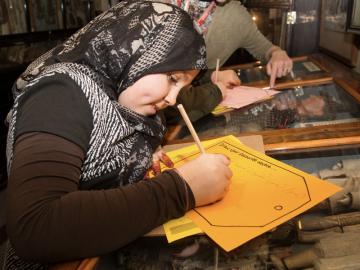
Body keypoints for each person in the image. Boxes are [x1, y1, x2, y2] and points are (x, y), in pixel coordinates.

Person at [4, 1, 232, 268]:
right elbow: (34, 226)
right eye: (172, 77)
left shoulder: (131, 104)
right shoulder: (59, 93)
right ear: (138, 51)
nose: (173, 98)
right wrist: (182, 189)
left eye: (182, 86)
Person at [161, 0, 293, 123]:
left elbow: (265, 49)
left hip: (188, 115)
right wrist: (213, 91)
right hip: (162, 110)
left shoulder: (236, 16)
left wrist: (277, 53)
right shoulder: (158, 6)